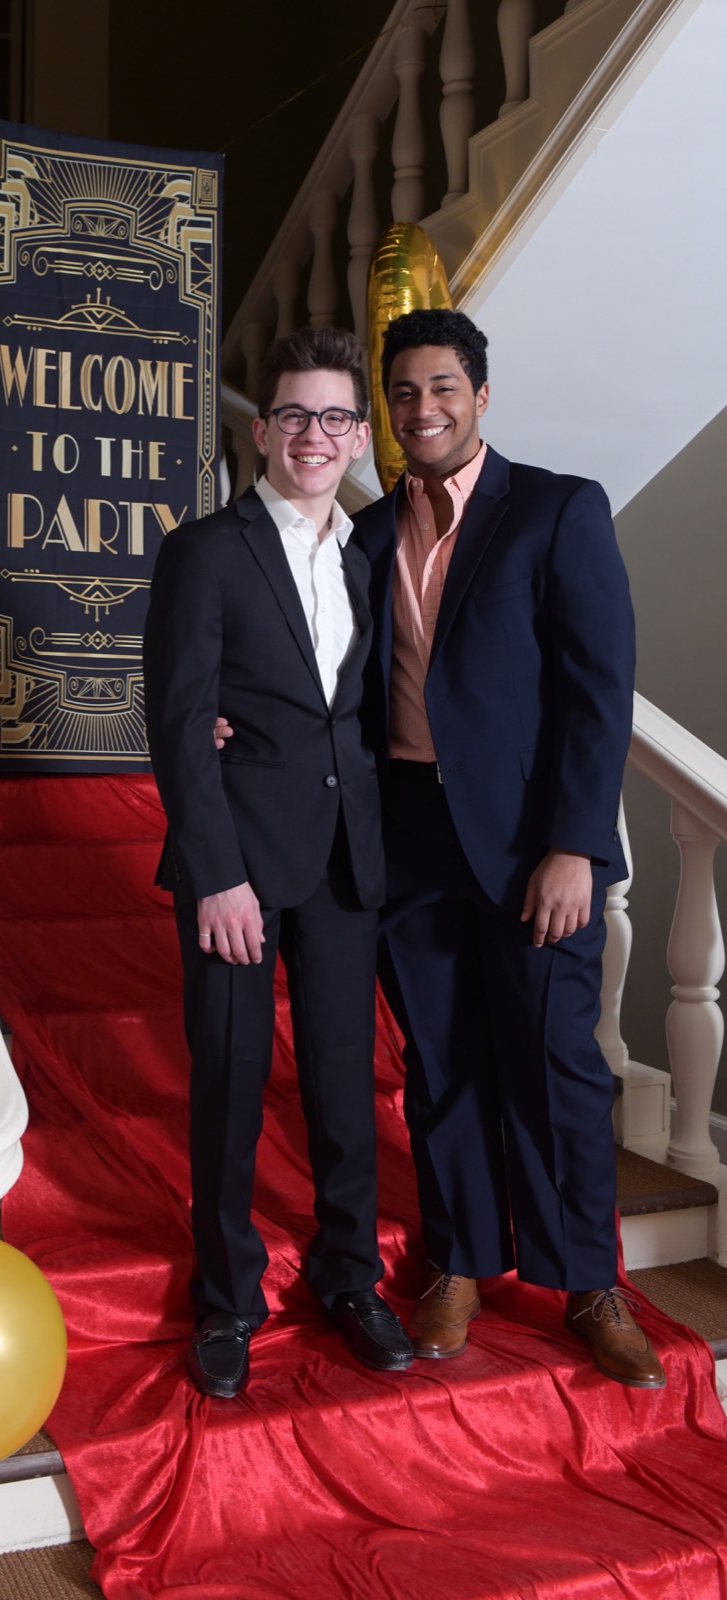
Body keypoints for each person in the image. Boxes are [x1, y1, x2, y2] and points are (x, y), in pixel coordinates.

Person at [356, 307, 663, 1388]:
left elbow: (595, 693)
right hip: (408, 833)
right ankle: (461, 1263)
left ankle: (590, 1283)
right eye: (403, 393)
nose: (421, 408)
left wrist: (575, 845)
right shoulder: (361, 534)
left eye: (441, 387)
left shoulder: (555, 509)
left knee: (555, 1068)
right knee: (440, 1069)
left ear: (480, 396)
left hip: (536, 848)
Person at [143, 326, 413, 1399]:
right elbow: (176, 721)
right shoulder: (205, 550)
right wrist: (214, 871)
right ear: (261, 431)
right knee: (229, 1084)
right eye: (294, 414)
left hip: (349, 865)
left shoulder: (369, 553)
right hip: (238, 871)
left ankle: (352, 1279)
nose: (315, 435)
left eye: (335, 417)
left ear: (357, 436)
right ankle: (228, 1298)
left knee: (345, 1087)